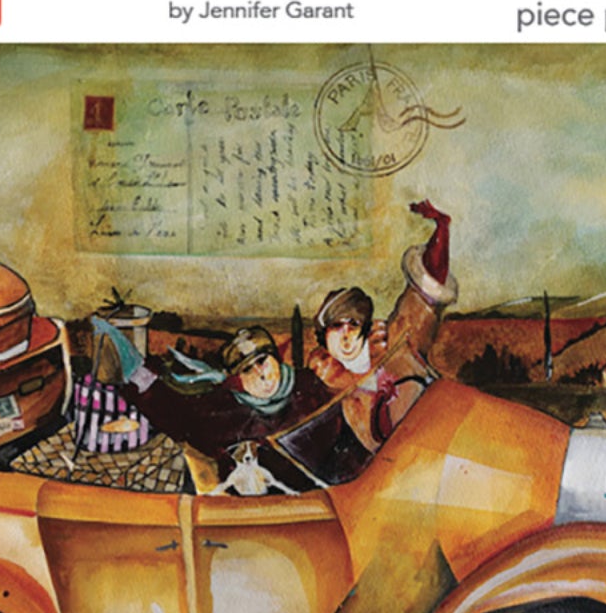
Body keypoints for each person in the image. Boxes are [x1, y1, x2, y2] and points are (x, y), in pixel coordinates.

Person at [107, 322, 335, 492]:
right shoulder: (228, 411)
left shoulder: (309, 387)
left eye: (262, 361)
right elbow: (183, 421)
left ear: (275, 358)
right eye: (247, 369)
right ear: (238, 378)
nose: (261, 374)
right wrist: (144, 381)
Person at [307, 199, 458, 452]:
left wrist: (441, 229)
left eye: (353, 324)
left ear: (365, 328)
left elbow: (419, 304)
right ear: (324, 334)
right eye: (336, 326)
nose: (346, 334)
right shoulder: (322, 374)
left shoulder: (392, 345)